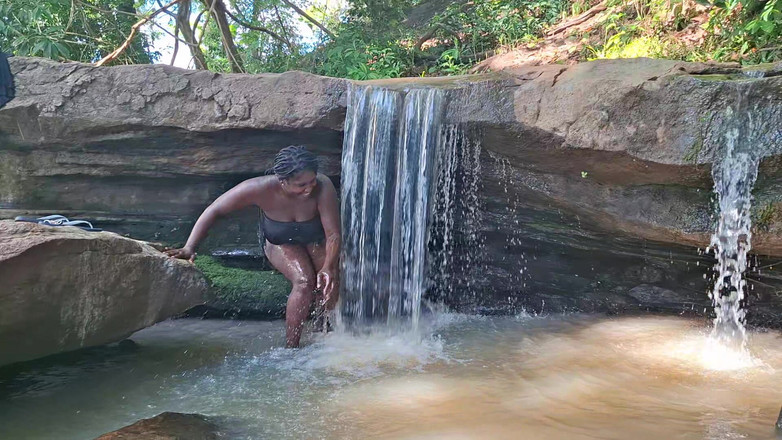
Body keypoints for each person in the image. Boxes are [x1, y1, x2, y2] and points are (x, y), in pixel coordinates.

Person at [166, 146, 340, 348]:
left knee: (328, 277)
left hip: (315, 238)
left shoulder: (322, 186)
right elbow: (214, 210)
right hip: (279, 241)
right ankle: (291, 348)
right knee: (304, 281)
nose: (309, 188)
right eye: (301, 185)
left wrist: (329, 266)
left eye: (312, 181)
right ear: (282, 181)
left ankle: (323, 326)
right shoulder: (259, 188)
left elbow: (333, 234)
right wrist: (189, 247)